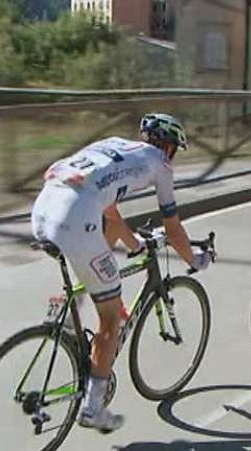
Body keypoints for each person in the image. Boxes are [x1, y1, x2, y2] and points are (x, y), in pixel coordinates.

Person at [31, 113, 213, 432]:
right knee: (111, 317)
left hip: (43, 210)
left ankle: (65, 307)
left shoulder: (113, 146)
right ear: (168, 146)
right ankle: (92, 408)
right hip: (73, 219)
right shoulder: (161, 164)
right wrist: (194, 260)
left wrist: (136, 244)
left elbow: (109, 211)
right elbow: (173, 229)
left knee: (93, 254)